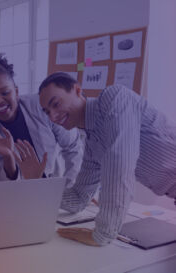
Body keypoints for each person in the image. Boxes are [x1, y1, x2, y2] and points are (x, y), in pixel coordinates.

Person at [39, 72, 176, 246]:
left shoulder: (115, 98)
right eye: (47, 112)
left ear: (77, 90)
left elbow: (119, 165)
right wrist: (39, 192)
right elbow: (79, 197)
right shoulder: (92, 143)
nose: (52, 116)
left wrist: (102, 234)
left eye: (56, 104)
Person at [0, 52, 83, 183]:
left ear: (16, 92)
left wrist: (69, 189)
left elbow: (73, 147)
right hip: (22, 198)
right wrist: (8, 156)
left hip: (58, 187)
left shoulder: (42, 106)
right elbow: (3, 188)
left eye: (5, 92)